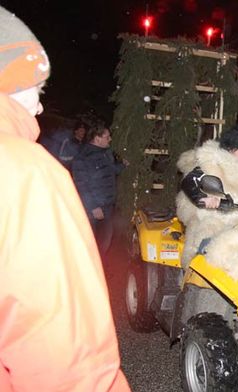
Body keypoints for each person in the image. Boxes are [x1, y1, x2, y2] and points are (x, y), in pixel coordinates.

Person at [0, 6, 129, 391]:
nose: (40, 106)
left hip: (105, 207)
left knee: (100, 246)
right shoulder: (27, 171)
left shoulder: (101, 155)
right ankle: (90, 284)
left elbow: (110, 173)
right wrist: (93, 204)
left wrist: (121, 171)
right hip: (96, 208)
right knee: (99, 247)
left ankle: (91, 279)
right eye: (36, 92)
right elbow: (68, 361)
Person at [176, 124, 238, 269]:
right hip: (214, 217)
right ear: (229, 148)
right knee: (205, 241)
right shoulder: (213, 163)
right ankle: (191, 276)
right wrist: (204, 199)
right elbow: (189, 182)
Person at [72, 123, 126, 257]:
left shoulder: (105, 153)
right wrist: (94, 207)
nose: (110, 139)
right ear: (97, 138)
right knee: (91, 241)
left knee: (105, 240)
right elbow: (81, 184)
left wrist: (123, 165)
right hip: (93, 209)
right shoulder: (83, 157)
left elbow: (111, 170)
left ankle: (99, 267)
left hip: (107, 206)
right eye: (107, 137)